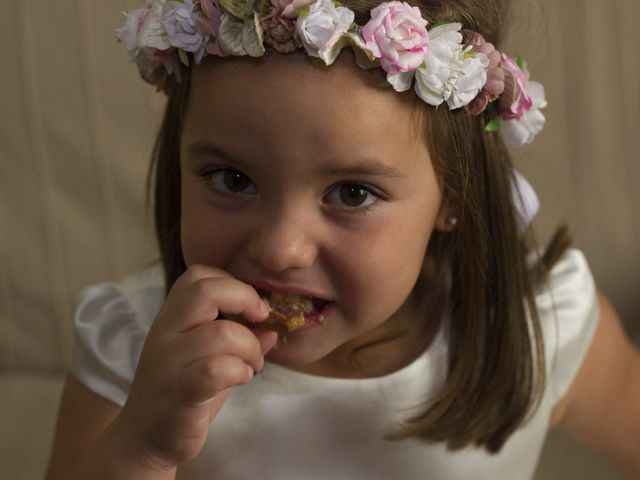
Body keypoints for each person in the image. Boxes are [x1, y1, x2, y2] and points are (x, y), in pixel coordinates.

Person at [45, 0, 640, 478]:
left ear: (453, 200)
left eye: (353, 193)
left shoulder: (543, 325)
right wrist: (142, 451)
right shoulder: (132, 345)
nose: (280, 249)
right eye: (232, 179)